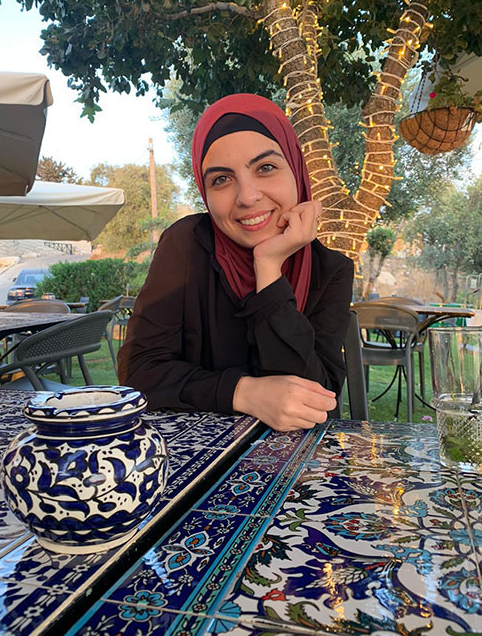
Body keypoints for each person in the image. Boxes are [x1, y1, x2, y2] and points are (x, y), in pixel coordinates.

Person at [118, 93, 354, 431]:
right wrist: (242, 393)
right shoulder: (185, 245)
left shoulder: (330, 270)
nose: (247, 196)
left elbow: (315, 399)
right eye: (221, 179)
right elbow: (139, 372)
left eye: (266, 168)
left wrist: (268, 268)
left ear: (296, 170)